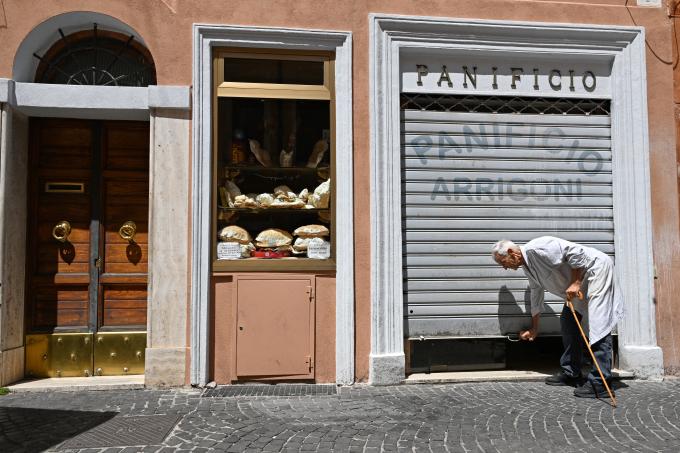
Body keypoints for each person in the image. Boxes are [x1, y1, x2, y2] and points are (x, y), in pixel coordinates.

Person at [491, 236, 624, 399]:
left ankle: (601, 383)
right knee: (568, 322)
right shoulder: (528, 267)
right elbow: (536, 294)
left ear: (511, 253)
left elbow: (574, 253)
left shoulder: (538, 248)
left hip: (595, 271)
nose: (504, 268)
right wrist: (534, 328)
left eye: (503, 262)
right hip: (581, 282)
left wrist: (575, 282)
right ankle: (572, 372)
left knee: (599, 325)